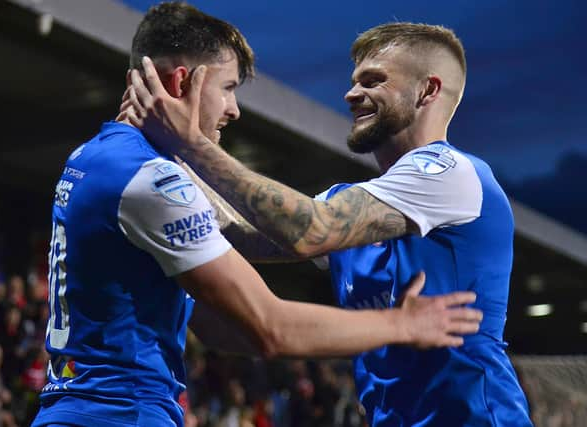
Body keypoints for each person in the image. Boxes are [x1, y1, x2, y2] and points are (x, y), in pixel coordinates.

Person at [32, 5, 483, 427]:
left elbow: (221, 326)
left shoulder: (93, 157)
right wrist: (400, 325)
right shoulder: (152, 180)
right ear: (183, 82)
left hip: (73, 409)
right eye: (228, 88)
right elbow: (272, 326)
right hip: (123, 413)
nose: (234, 109)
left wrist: (348, 338)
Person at [124, 19, 533, 426]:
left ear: (427, 90)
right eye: (355, 81)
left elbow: (307, 231)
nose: (352, 94)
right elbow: (246, 234)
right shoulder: (349, 201)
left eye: (373, 81)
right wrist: (163, 161)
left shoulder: (453, 173)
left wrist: (190, 143)